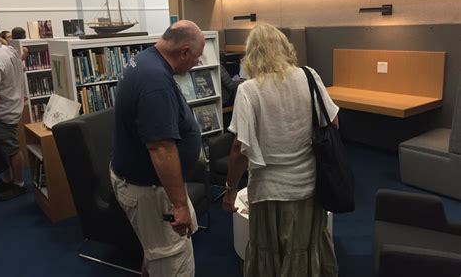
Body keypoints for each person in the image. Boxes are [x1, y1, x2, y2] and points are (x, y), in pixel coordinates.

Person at [222, 23, 339, 277]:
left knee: (269, 253)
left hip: (267, 190)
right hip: (308, 184)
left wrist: (231, 190)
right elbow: (333, 122)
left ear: (251, 54)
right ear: (285, 48)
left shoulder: (248, 90)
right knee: (305, 249)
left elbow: (239, 148)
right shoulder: (309, 76)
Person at [110, 20, 205, 277]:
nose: (198, 62)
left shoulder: (145, 60)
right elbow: (161, 148)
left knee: (157, 251)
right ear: (184, 51)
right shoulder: (155, 80)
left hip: (151, 184)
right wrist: (180, 206)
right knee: (171, 259)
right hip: (150, 190)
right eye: (197, 56)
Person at [0, 19, 27, 202]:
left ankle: (18, 184)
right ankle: (7, 178)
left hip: (2, 112)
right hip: (12, 106)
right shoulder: (8, 49)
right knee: (3, 147)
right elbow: (18, 64)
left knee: (10, 149)